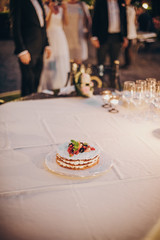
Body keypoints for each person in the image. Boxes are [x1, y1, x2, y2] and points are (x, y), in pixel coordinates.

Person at [10, 0, 51, 97]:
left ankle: (34, 108)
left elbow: (42, 25)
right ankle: (25, 109)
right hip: (27, 49)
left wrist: (47, 44)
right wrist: (21, 50)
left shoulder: (39, 1)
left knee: (36, 82)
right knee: (28, 83)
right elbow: (15, 26)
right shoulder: (18, 2)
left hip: (40, 48)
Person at [91, 0, 128, 88]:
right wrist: (94, 37)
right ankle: (100, 82)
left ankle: (113, 83)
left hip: (117, 37)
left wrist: (125, 36)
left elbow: (124, 20)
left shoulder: (120, 2)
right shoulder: (100, 2)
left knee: (115, 62)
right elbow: (95, 19)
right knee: (101, 62)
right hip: (103, 37)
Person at [38, 0, 70, 91]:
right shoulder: (44, 8)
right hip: (49, 37)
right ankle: (49, 85)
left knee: (61, 61)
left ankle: (61, 84)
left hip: (60, 36)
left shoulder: (59, 8)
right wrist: (51, 11)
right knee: (49, 61)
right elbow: (45, 26)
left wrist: (65, 9)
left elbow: (66, 23)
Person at [63, 0, 92, 64]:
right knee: (66, 62)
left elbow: (88, 20)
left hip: (79, 37)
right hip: (67, 37)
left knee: (78, 62)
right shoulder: (63, 5)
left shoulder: (82, 5)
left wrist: (89, 34)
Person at [123, 0, 137, 68]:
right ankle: (127, 63)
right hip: (130, 31)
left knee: (128, 49)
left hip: (129, 32)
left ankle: (128, 63)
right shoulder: (132, 8)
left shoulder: (128, 9)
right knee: (127, 49)